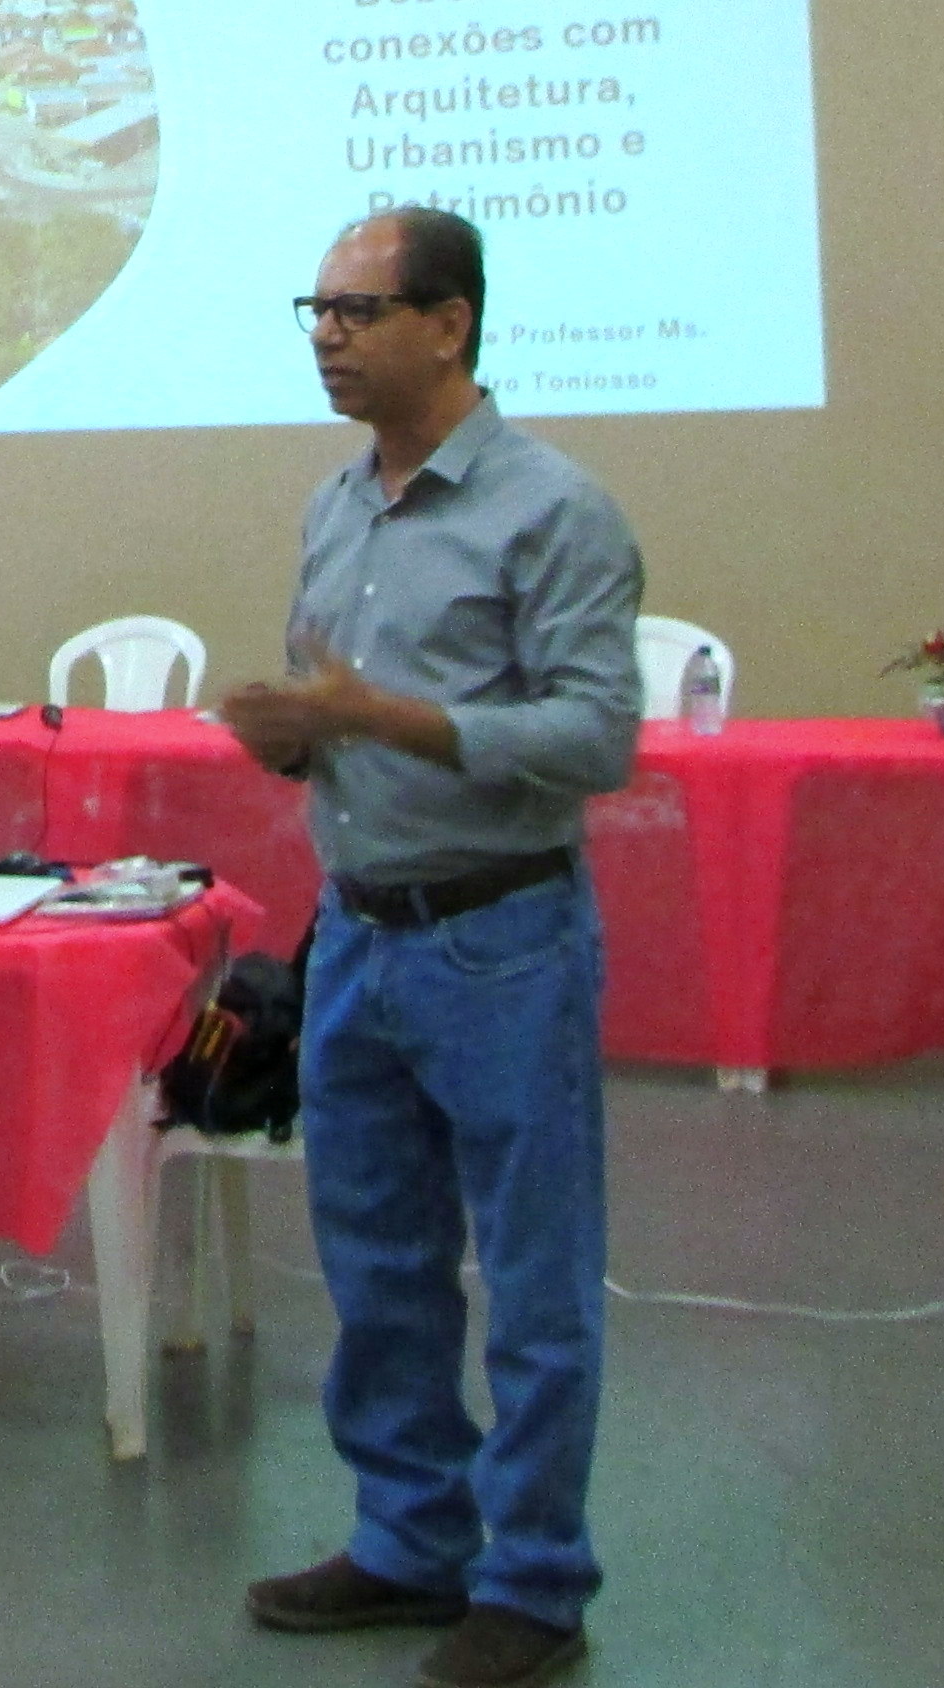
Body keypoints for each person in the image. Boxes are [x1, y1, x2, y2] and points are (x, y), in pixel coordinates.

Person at [217, 210, 640, 1688]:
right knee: (381, 1268)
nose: (326, 334)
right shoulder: (337, 506)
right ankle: (410, 1543)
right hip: (360, 940)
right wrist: (290, 737)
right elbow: (335, 715)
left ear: (449, 323)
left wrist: (384, 720)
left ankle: (532, 1583)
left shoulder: (554, 511)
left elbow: (598, 737)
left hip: (501, 938)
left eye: (357, 308)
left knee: (533, 1279)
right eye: (313, 308)